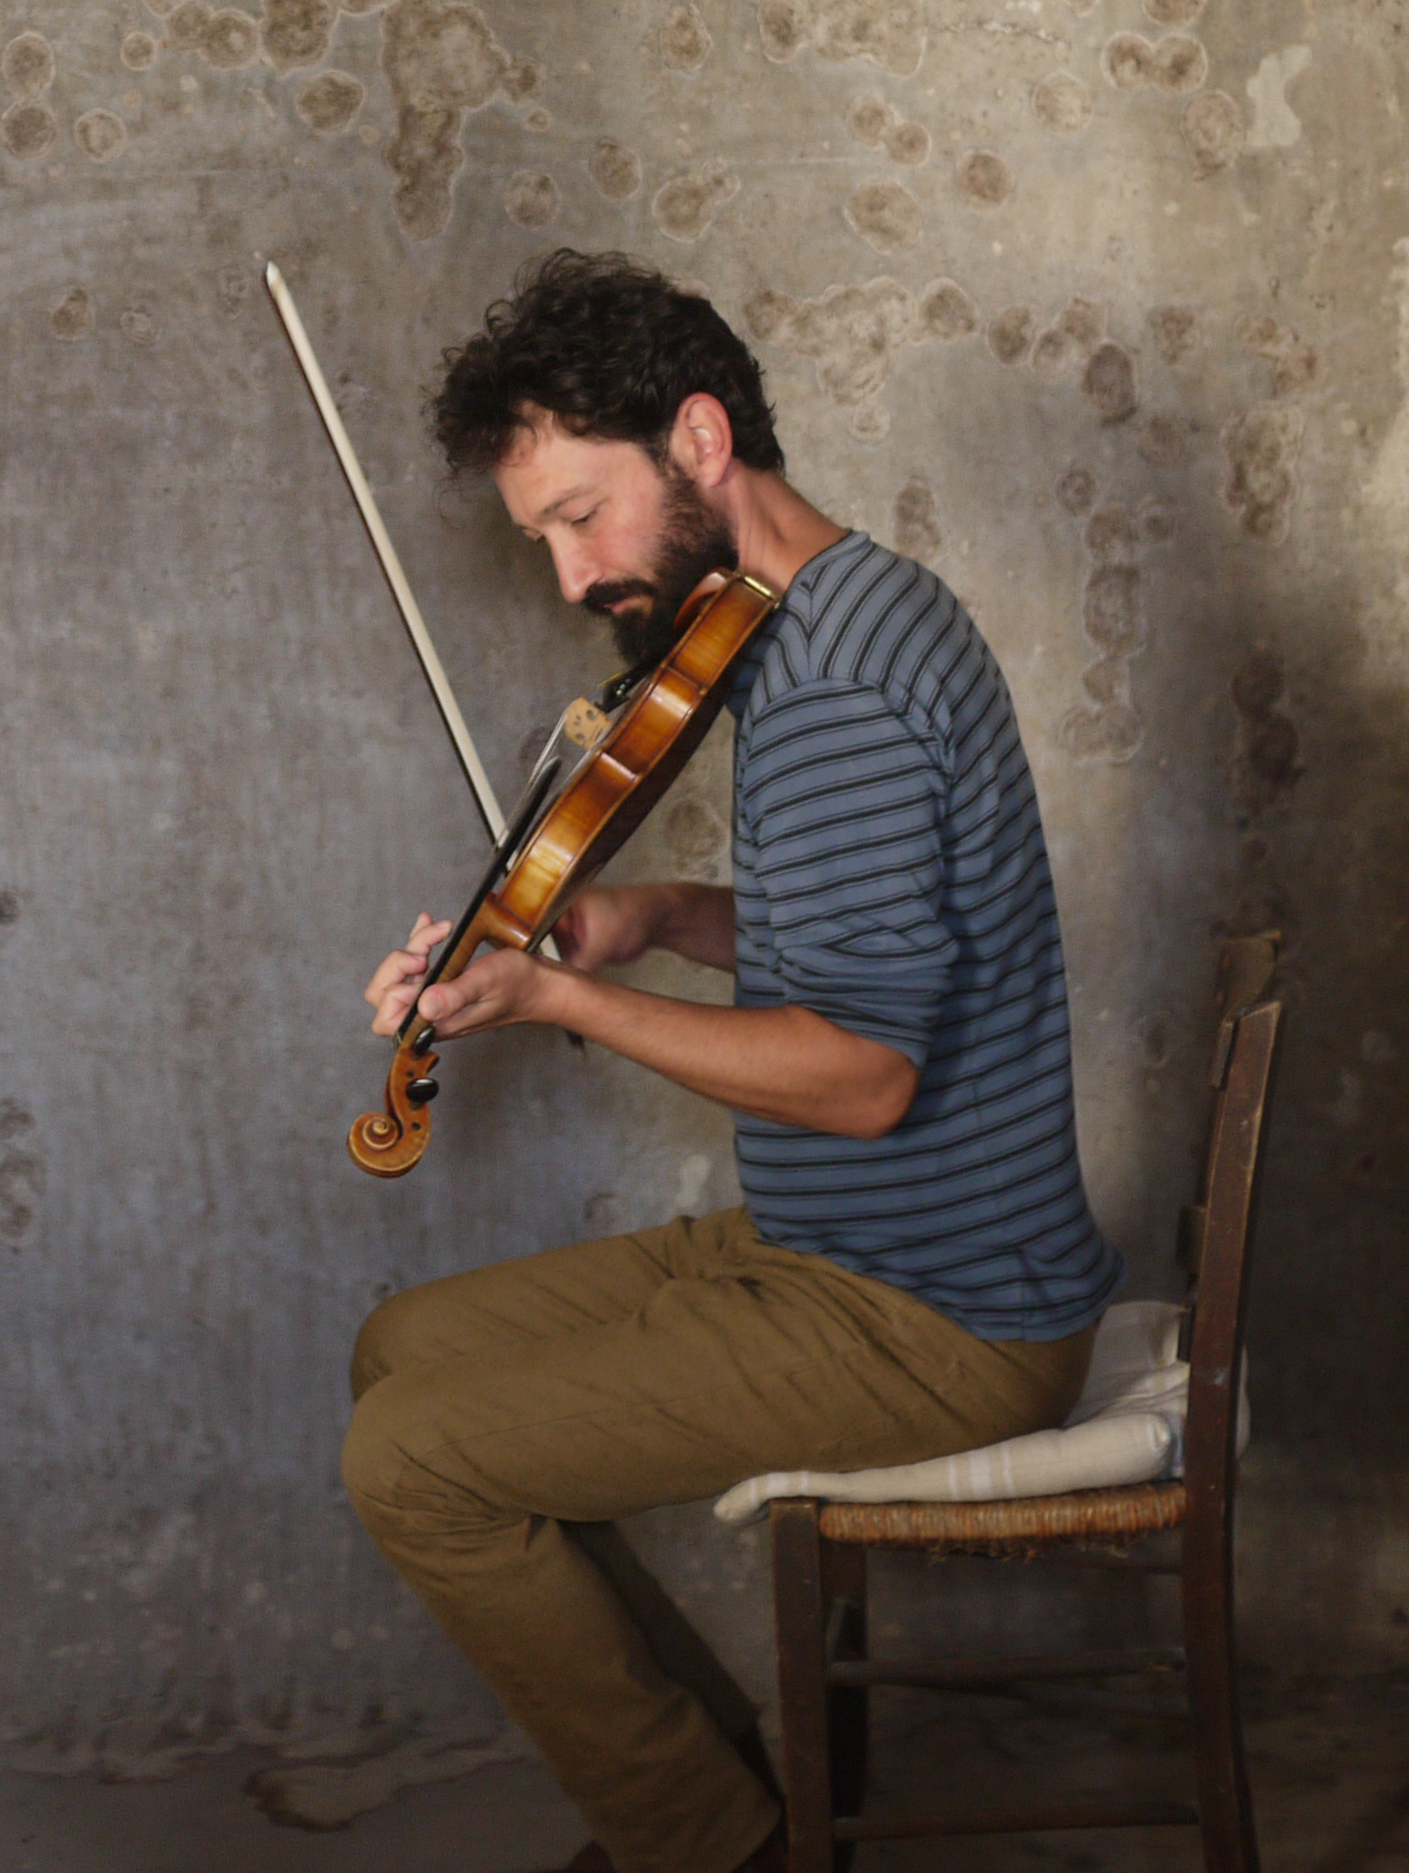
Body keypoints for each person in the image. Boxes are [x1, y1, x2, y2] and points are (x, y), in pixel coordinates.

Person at [341, 253, 1123, 1873]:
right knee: (400, 1349)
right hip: (854, 1249)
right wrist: (640, 919)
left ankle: (716, 1847)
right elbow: (874, 933)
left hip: (930, 1311)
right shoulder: (840, 609)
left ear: (698, 439)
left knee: (405, 1460)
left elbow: (860, 1074)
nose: (568, 576)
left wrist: (556, 1005)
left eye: (579, 515)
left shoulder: (828, 684)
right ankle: (717, 1800)